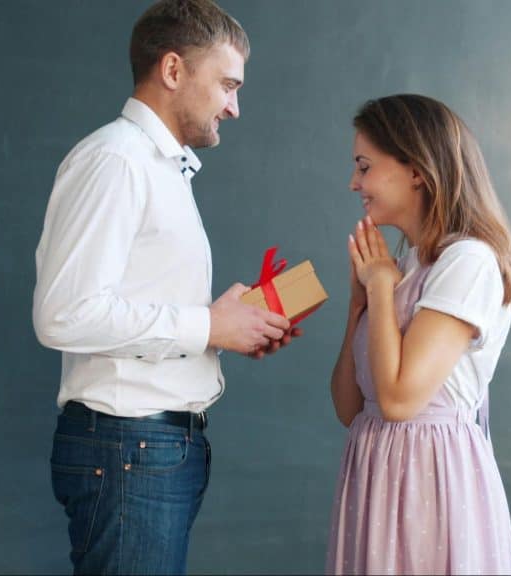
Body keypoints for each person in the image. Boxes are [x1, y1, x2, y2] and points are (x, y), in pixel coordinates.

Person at [32, 1, 299, 573]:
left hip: (149, 452)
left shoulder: (158, 168)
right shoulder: (116, 161)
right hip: (130, 450)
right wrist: (206, 326)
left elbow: (132, 303)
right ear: (173, 70)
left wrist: (225, 327)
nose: (234, 107)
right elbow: (63, 313)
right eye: (227, 85)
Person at [326, 94, 511, 575]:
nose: (354, 182)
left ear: (416, 169)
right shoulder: (406, 267)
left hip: (428, 479)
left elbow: (398, 401)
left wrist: (379, 289)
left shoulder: (468, 262)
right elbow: (350, 408)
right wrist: (359, 304)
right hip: (375, 472)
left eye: (365, 166)